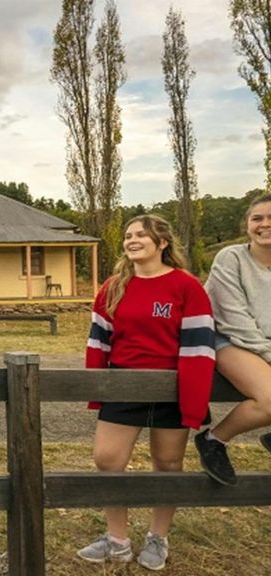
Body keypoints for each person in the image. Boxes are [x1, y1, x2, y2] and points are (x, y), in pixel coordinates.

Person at [77, 214, 215, 571]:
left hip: (172, 388)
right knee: (107, 460)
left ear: (162, 243)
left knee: (167, 464)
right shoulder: (113, 286)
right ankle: (117, 540)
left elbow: (199, 347)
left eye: (141, 234)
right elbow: (97, 342)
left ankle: (158, 537)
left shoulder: (186, 287)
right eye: (128, 235)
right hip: (123, 386)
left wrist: (193, 401)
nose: (132, 240)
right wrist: (97, 387)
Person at [195, 193, 271, 486]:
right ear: (247, 225)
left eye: (270, 218)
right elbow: (231, 316)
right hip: (228, 338)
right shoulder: (232, 258)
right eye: (257, 218)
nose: (264, 224)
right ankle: (214, 439)